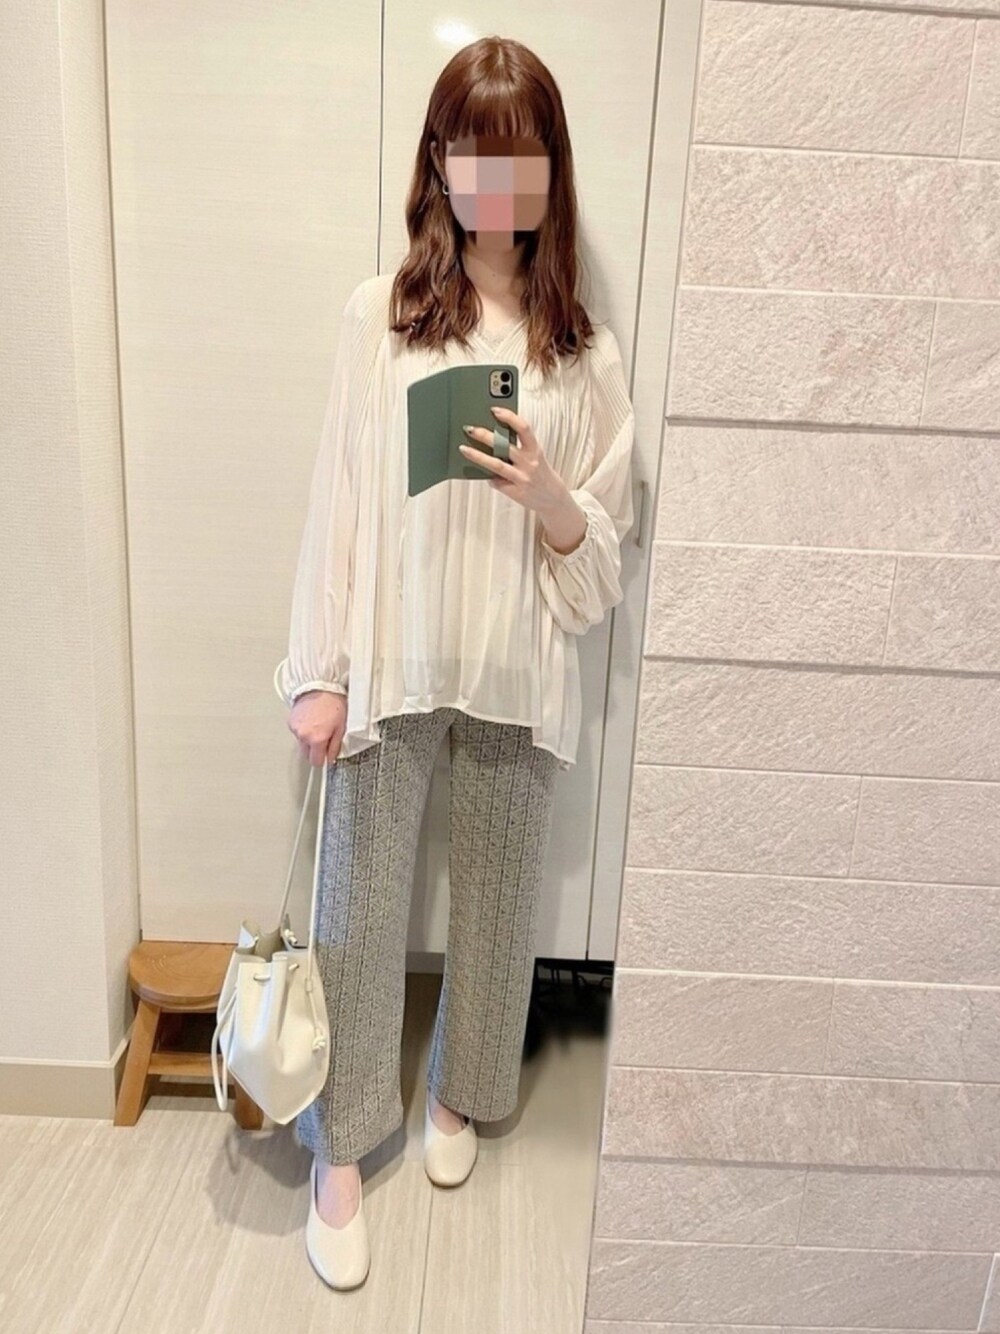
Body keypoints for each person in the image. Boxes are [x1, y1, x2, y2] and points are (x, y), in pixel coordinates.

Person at [275, 36, 636, 1291]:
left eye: (519, 155)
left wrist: (549, 494)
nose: (495, 180)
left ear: (550, 169)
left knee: (498, 900)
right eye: (473, 153)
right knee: (358, 911)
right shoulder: (380, 315)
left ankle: (457, 1094)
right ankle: (337, 1148)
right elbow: (338, 499)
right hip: (395, 655)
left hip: (515, 667)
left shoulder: (579, 350)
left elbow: (600, 559)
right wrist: (318, 669)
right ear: (439, 162)